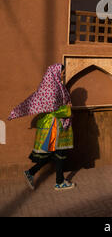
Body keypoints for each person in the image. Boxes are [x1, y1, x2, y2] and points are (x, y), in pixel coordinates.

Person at [8, 63, 75, 191]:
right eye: (62, 72)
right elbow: (53, 109)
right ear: (55, 72)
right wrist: (68, 109)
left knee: (55, 153)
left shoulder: (58, 86)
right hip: (53, 125)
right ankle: (59, 182)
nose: (64, 74)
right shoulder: (52, 88)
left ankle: (34, 173)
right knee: (58, 152)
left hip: (58, 124)